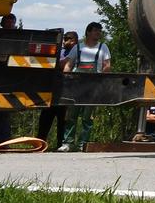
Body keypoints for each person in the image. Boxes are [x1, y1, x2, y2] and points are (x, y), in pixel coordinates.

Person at [60, 22, 111, 152]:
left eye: (100, 31)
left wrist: (102, 81)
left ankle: (84, 143)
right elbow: (69, 65)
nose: (98, 33)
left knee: (87, 117)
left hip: (93, 87)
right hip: (76, 86)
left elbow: (107, 66)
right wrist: (67, 78)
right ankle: (68, 143)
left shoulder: (103, 47)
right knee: (71, 115)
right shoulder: (78, 47)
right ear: (88, 32)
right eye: (95, 31)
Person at [35, 29, 76, 149]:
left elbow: (62, 64)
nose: (65, 41)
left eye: (68, 39)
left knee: (63, 121)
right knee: (45, 119)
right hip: (53, 89)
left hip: (67, 91)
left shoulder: (76, 52)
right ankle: (40, 144)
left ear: (75, 41)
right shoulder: (61, 51)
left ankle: (60, 144)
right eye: (64, 39)